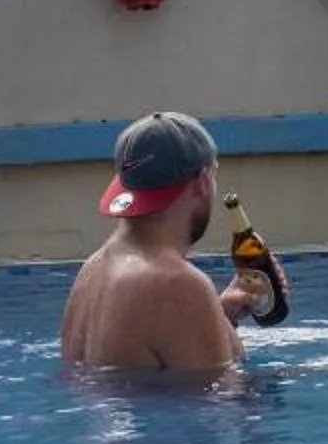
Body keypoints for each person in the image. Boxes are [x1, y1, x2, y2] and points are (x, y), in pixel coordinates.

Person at [60, 111, 283, 372]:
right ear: (201, 183)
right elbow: (223, 403)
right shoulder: (178, 285)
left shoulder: (92, 270)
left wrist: (219, 314)